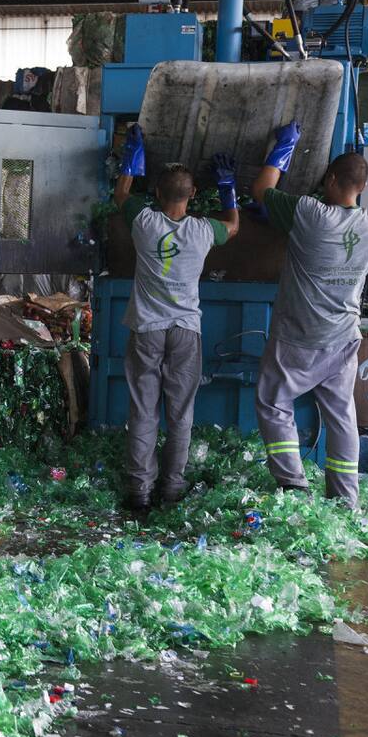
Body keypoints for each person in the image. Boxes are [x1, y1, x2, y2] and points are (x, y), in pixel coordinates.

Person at [250, 122, 368, 509]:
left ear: (331, 178)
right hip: (343, 338)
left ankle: (293, 484)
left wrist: (282, 148)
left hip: (298, 337)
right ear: (363, 187)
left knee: (273, 403)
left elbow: (261, 191)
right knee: (341, 416)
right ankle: (345, 498)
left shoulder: (309, 214)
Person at [113, 124, 240, 510]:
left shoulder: (144, 222)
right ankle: (171, 486)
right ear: (193, 196)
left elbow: (121, 194)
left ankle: (139, 490)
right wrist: (228, 187)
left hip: (147, 330)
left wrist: (132, 157)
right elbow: (233, 226)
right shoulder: (203, 231)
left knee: (143, 411)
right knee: (180, 413)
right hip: (186, 331)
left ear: (156, 194)